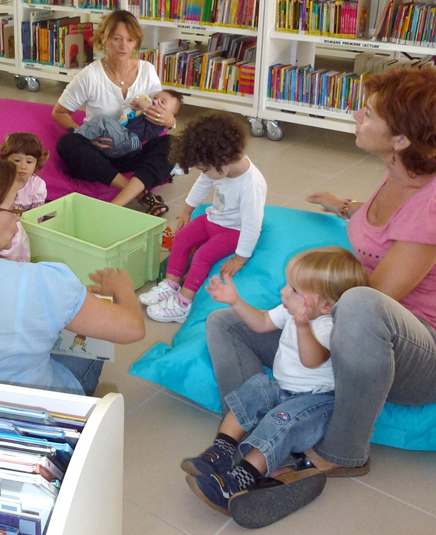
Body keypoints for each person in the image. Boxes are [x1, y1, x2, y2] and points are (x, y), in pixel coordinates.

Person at [206, 67, 436, 520]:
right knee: (225, 322)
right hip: (345, 332)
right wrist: (345, 206)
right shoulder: (398, 171)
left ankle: (343, 453)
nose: (356, 116)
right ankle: (268, 428)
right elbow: (384, 226)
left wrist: (304, 310)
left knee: (359, 304)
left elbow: (368, 302)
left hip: (414, 353)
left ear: (401, 140)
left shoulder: (431, 200)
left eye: (367, 114)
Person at [0, 154, 145, 396]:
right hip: (34, 412)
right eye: (14, 207)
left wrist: (67, 299)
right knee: (86, 341)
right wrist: (123, 289)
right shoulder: (42, 281)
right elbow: (132, 329)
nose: (19, 216)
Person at [185, 248, 367, 524]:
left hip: (314, 402)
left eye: (294, 290)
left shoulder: (328, 327)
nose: (283, 292)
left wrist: (303, 326)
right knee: (252, 390)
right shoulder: (290, 310)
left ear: (326, 305)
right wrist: (235, 301)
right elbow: (260, 323)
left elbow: (312, 360)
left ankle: (238, 480)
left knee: (278, 422)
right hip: (282, 389)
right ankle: (221, 451)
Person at [138, 112, 267, 323]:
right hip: (213, 220)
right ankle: (170, 286)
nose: (204, 173)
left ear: (224, 159)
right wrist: (188, 211)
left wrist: (239, 259)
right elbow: (202, 184)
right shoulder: (216, 166)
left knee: (202, 256)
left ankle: (182, 304)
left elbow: (252, 226)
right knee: (180, 238)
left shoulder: (251, 184)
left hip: (234, 231)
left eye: (205, 169)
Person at [52, 10, 179, 216]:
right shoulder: (89, 75)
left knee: (173, 144)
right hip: (100, 152)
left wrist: (171, 121)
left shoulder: (147, 70)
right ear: (104, 38)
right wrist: (86, 135)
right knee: (67, 143)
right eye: (117, 39)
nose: (124, 46)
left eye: (130, 40)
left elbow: (162, 110)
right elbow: (59, 113)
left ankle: (116, 205)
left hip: (134, 147)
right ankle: (140, 194)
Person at [76, 89, 182, 158]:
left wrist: (142, 102)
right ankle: (84, 141)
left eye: (162, 102)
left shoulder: (159, 121)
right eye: (155, 97)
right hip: (124, 139)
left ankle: (77, 137)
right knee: (102, 125)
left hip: (130, 140)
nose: (156, 101)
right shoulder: (146, 112)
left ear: (169, 115)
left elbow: (147, 106)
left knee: (103, 121)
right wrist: (135, 109)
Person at [0, 132, 49, 262]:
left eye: (29, 161)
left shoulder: (37, 185)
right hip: (4, 223)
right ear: (5, 160)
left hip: (27, 224)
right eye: (17, 160)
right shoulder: (1, 181)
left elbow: (39, 212)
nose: (23, 166)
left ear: (36, 163)